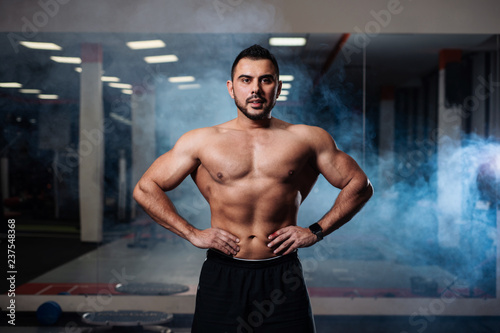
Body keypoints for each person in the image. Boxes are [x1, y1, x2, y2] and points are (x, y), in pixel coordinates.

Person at [133, 44, 373, 332]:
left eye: (265, 80)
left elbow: (359, 185)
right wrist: (192, 233)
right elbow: (146, 188)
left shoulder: (307, 138)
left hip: (282, 276)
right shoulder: (201, 141)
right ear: (231, 88)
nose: (255, 89)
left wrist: (316, 231)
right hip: (222, 273)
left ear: (278, 87)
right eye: (246, 80)